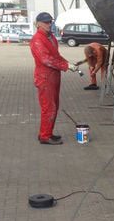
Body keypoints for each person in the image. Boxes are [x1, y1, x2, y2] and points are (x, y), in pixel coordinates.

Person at [30, 12, 78, 145]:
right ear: (38, 24)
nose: (49, 24)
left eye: (50, 22)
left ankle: (47, 133)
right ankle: (45, 136)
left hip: (53, 76)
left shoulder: (50, 37)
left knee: (54, 106)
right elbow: (46, 59)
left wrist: (68, 64)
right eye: (46, 22)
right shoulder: (37, 39)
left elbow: (56, 56)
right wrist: (65, 65)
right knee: (49, 107)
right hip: (45, 77)